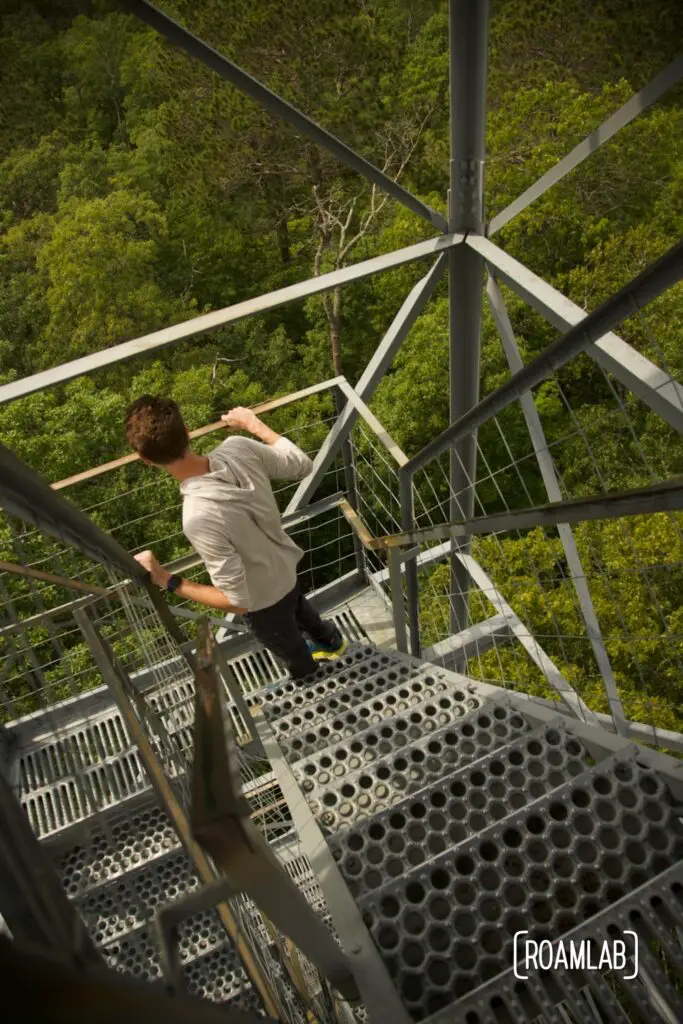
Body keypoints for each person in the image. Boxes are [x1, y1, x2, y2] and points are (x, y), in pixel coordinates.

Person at [124, 395, 346, 680]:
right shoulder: (238, 448)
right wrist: (253, 423)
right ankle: (331, 642)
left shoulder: (198, 517)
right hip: (286, 569)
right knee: (302, 611)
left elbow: (237, 601)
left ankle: (313, 678)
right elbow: (301, 465)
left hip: (264, 604)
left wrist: (167, 579)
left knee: (294, 653)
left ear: (145, 460)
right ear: (187, 431)